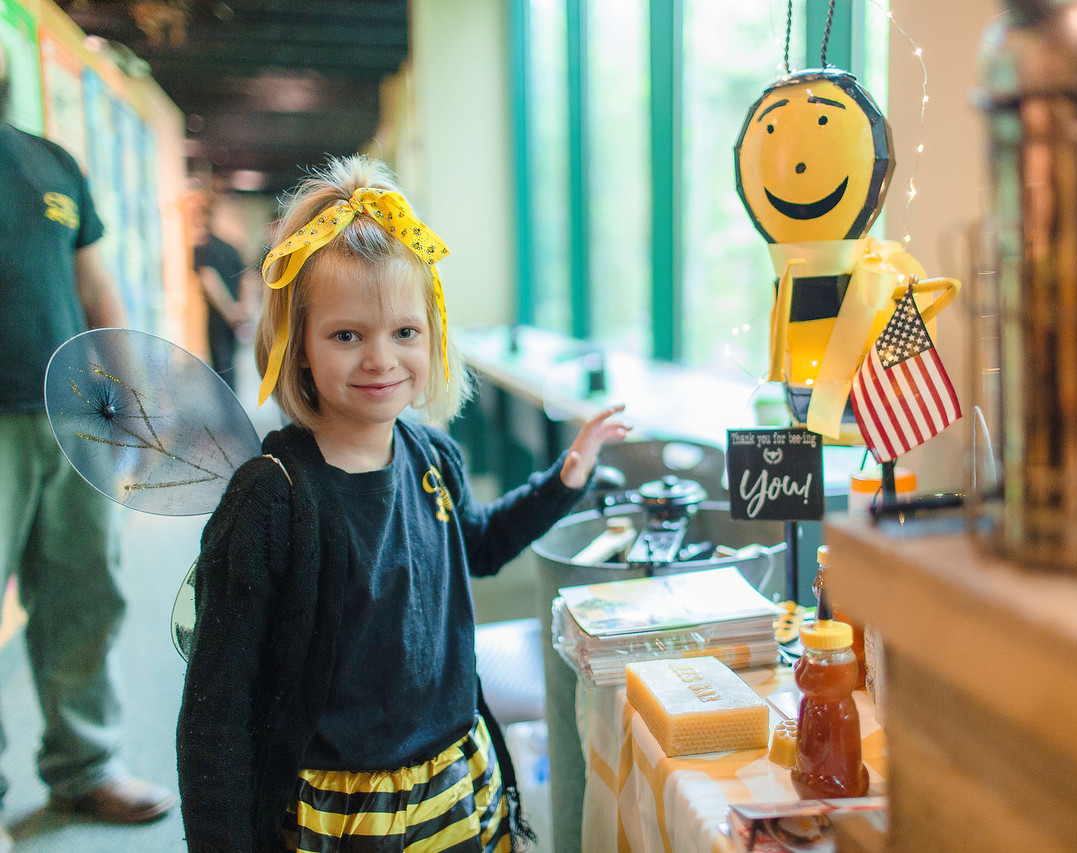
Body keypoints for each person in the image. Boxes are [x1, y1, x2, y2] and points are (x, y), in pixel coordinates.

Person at [175, 155, 630, 852]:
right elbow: (217, 708)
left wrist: (565, 479)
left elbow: (475, 545)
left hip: (451, 776)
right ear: (299, 347)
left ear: (433, 335)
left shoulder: (432, 455)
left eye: (404, 333)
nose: (381, 359)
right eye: (347, 335)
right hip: (341, 807)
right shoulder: (270, 498)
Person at [0, 43, 176, 851]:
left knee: (85, 595)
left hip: (69, 415)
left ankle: (85, 765)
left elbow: (99, 289)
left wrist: (134, 399)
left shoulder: (52, 164)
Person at [189, 193, 250, 393]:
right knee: (231, 364)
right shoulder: (231, 247)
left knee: (221, 366)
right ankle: (235, 411)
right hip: (234, 315)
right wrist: (240, 308)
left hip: (219, 315)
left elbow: (209, 280)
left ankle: (227, 414)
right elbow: (246, 279)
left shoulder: (203, 246)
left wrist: (228, 310)